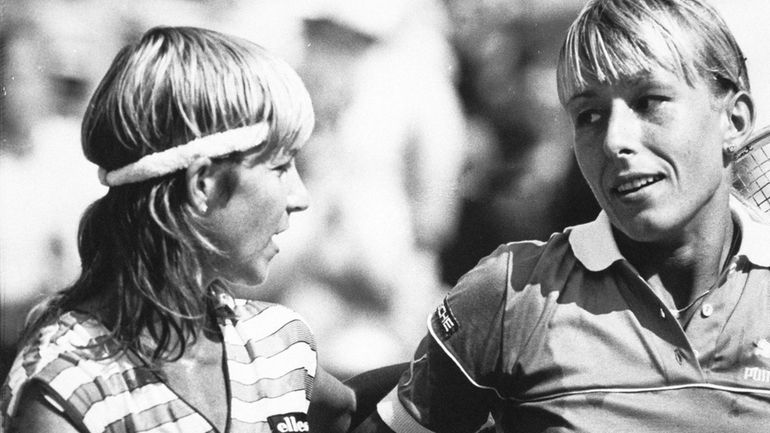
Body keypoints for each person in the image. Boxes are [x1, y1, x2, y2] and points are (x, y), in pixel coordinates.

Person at [352, 0, 770, 431]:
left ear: (735, 121)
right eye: (589, 115)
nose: (614, 140)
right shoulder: (512, 293)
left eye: (649, 101)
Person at [0, 26, 397, 433]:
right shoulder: (71, 388)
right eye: (280, 167)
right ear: (202, 184)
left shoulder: (276, 344)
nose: (300, 197)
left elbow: (356, 412)